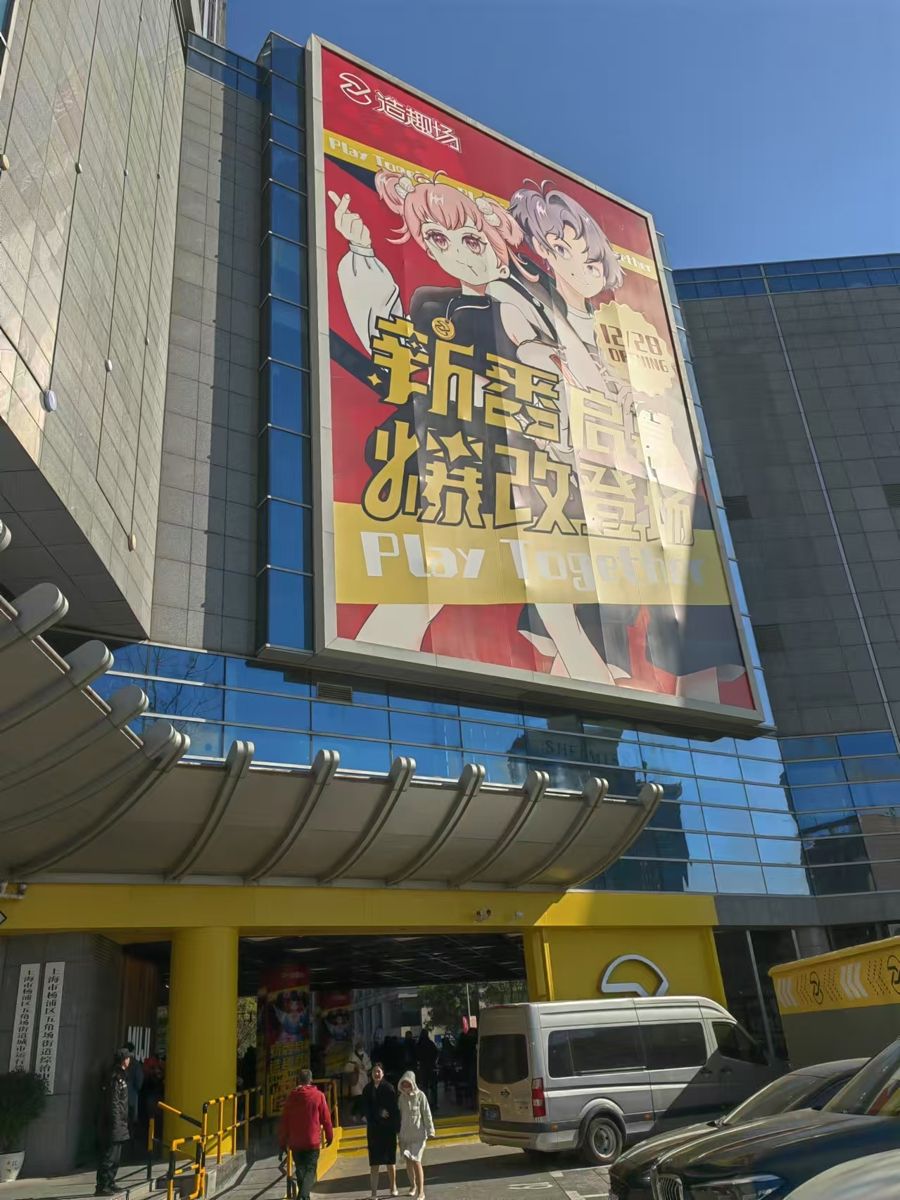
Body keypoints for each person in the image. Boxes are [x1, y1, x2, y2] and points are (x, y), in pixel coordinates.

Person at [278, 1069, 334, 1200]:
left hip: (295, 1142)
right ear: (311, 1080)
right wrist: (330, 1136)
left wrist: (282, 1142)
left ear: (298, 1080)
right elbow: (326, 1119)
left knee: (300, 1170)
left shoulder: (291, 1097)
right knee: (310, 1170)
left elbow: (285, 1121)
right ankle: (303, 1196)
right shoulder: (318, 1096)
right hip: (312, 1141)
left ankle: (304, 1196)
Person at [95, 1049, 131, 1196]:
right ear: (123, 1059)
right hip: (114, 1122)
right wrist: (116, 1122)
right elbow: (114, 1102)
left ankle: (110, 1182)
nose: (129, 1060)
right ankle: (102, 1185)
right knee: (110, 1155)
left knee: (116, 1156)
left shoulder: (122, 1076)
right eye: (128, 1058)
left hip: (120, 1121)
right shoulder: (115, 1077)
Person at [362, 1063, 400, 1200]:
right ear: (371, 1073)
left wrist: (397, 1129)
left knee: (390, 1161)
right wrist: (378, 1113)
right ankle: (374, 1192)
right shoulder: (367, 1089)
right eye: (374, 1071)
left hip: (388, 1129)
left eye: (379, 1071)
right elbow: (365, 1108)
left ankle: (393, 1186)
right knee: (374, 1163)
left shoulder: (389, 1088)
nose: (376, 1074)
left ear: (383, 1073)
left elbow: (393, 1109)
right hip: (373, 1129)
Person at [397, 1070, 434, 1200]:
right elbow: (398, 1116)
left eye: (408, 1083)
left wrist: (430, 1130)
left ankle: (421, 1191)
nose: (406, 1086)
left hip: (418, 1135)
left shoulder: (420, 1096)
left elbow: (426, 1113)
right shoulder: (401, 1099)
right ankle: (412, 1186)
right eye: (404, 1084)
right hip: (405, 1136)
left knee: (416, 1161)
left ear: (413, 1083)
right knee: (408, 1162)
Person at [345, 1039, 372, 1123]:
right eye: (359, 1047)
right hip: (355, 1079)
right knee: (360, 1097)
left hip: (364, 1079)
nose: (361, 1048)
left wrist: (365, 1067)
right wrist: (354, 1067)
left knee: (360, 1098)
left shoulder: (365, 1055)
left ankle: (353, 1114)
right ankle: (363, 1115)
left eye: (362, 1047)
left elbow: (369, 1065)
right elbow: (347, 1068)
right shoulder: (352, 1056)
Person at [415, 1030, 439, 1115]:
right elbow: (436, 1053)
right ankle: (434, 1103)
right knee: (433, 1087)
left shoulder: (419, 1044)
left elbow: (416, 1055)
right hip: (431, 1067)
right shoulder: (431, 1043)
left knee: (424, 1086)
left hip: (423, 1067)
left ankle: (425, 1103)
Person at [123, 1041, 143, 1136]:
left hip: (117, 1098)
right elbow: (139, 1083)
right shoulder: (135, 1064)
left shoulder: (117, 1062)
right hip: (131, 1098)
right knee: (130, 1125)